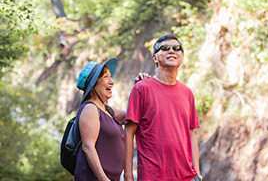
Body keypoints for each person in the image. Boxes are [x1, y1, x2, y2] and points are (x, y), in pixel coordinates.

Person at [124, 34, 202, 181]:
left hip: (187, 176)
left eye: (177, 48)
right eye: (165, 48)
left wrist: (197, 171)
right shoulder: (142, 88)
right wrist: (128, 175)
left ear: (182, 56)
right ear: (155, 58)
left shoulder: (187, 92)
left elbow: (191, 134)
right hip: (153, 176)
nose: (172, 51)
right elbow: (129, 132)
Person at [74, 57, 149, 181]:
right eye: (105, 77)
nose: (111, 81)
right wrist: (103, 178)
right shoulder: (90, 109)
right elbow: (88, 147)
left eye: (110, 76)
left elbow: (133, 116)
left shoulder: (107, 111)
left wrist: (140, 87)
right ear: (93, 85)